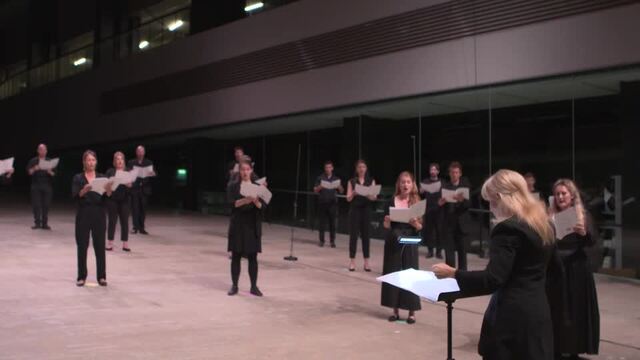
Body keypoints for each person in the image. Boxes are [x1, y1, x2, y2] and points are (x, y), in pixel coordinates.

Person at [433, 169, 555, 360]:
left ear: (501, 197)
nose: (490, 207)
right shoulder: (543, 224)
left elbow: (493, 279)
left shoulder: (508, 229)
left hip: (512, 319)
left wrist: (454, 273)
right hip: (538, 314)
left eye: (490, 200)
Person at [547, 179, 600, 359]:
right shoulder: (549, 215)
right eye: (557, 194)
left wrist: (584, 233)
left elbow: (593, 241)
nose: (560, 197)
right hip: (556, 269)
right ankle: (556, 347)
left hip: (576, 270)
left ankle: (574, 349)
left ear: (572, 196)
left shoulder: (582, 214)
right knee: (556, 309)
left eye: (564, 193)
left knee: (575, 310)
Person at [381, 171, 422, 324]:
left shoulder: (416, 202)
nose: (405, 185)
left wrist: (415, 224)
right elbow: (386, 227)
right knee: (394, 273)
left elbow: (420, 227)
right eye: (403, 182)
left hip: (410, 241)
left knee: (410, 274)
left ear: (412, 185)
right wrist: (386, 221)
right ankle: (395, 310)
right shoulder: (391, 201)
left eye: (408, 182)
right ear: (398, 184)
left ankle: (411, 312)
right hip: (394, 240)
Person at [226, 159, 267, 297]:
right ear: (240, 171)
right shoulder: (233, 186)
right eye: (242, 169)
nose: (245, 172)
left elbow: (264, 207)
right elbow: (231, 204)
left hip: (252, 225)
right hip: (238, 224)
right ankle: (235, 285)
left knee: (253, 257)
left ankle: (254, 286)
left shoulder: (258, 186)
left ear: (251, 170)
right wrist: (246, 199)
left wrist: (255, 201)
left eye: (247, 169)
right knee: (236, 255)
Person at [72, 150, 111, 287]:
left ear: (96, 162)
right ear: (84, 162)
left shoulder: (102, 177)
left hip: (99, 213)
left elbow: (107, 197)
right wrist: (85, 190)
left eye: (93, 160)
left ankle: (101, 276)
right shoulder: (78, 178)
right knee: (82, 246)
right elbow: (76, 196)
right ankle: (81, 276)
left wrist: (109, 190)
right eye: (88, 160)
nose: (91, 162)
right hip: (84, 213)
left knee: (99, 246)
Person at [346, 159, 377, 272]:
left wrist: (368, 194)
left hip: (366, 210)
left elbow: (374, 197)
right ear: (356, 169)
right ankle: (352, 261)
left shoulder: (371, 180)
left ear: (366, 168)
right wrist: (354, 193)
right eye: (359, 167)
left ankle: (366, 262)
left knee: (366, 236)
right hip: (355, 210)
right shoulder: (352, 181)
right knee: (353, 236)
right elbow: (348, 198)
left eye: (363, 167)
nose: (361, 169)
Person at [439, 161, 471, 270]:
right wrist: (440, 203)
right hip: (449, 224)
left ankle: (463, 277)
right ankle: (449, 276)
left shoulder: (465, 186)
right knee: (449, 254)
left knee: (462, 253)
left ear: (460, 174)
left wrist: (462, 201)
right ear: (449, 173)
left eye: (456, 172)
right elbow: (441, 206)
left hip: (461, 224)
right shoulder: (445, 186)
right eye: (452, 172)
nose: (454, 175)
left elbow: (469, 204)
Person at [105, 152, 132, 252]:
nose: (120, 161)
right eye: (117, 159)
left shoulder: (128, 171)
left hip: (125, 200)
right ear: (114, 161)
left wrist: (129, 185)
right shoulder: (110, 172)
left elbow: (131, 188)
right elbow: (105, 186)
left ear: (124, 161)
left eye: (121, 159)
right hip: (112, 200)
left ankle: (125, 244)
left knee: (124, 221)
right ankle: (110, 243)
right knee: (112, 221)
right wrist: (109, 187)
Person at [313, 161, 343, 248]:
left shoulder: (336, 178)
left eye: (329, 167)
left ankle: (332, 241)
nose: (328, 169)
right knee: (321, 223)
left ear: (332, 168)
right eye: (326, 167)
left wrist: (338, 186)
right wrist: (320, 187)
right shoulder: (320, 178)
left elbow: (341, 191)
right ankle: (321, 240)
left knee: (332, 223)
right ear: (324, 168)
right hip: (322, 202)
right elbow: (315, 190)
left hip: (332, 203)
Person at [26, 144, 55, 230]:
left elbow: (54, 174)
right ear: (38, 151)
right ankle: (37, 223)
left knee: (46, 205)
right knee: (36, 205)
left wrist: (49, 171)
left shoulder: (50, 161)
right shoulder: (33, 161)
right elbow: (29, 172)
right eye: (41, 150)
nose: (43, 151)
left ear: (46, 151)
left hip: (47, 185)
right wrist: (34, 169)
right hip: (36, 185)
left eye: (44, 150)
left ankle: (45, 224)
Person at [127, 145, 155, 235]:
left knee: (143, 209)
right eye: (139, 151)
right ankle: (135, 227)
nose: (140, 153)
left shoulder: (148, 162)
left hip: (145, 188)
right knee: (135, 208)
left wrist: (153, 173)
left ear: (144, 152)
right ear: (136, 152)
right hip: (135, 188)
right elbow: (128, 173)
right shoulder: (131, 162)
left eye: (142, 151)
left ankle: (142, 228)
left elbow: (153, 173)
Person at [420, 162, 443, 259]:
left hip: (439, 210)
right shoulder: (425, 181)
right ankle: (430, 251)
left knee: (439, 231)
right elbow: (420, 194)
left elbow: (444, 195)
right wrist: (421, 190)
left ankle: (439, 252)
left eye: (434, 169)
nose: (433, 171)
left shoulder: (442, 182)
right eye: (431, 169)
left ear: (438, 171)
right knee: (429, 231)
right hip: (428, 209)